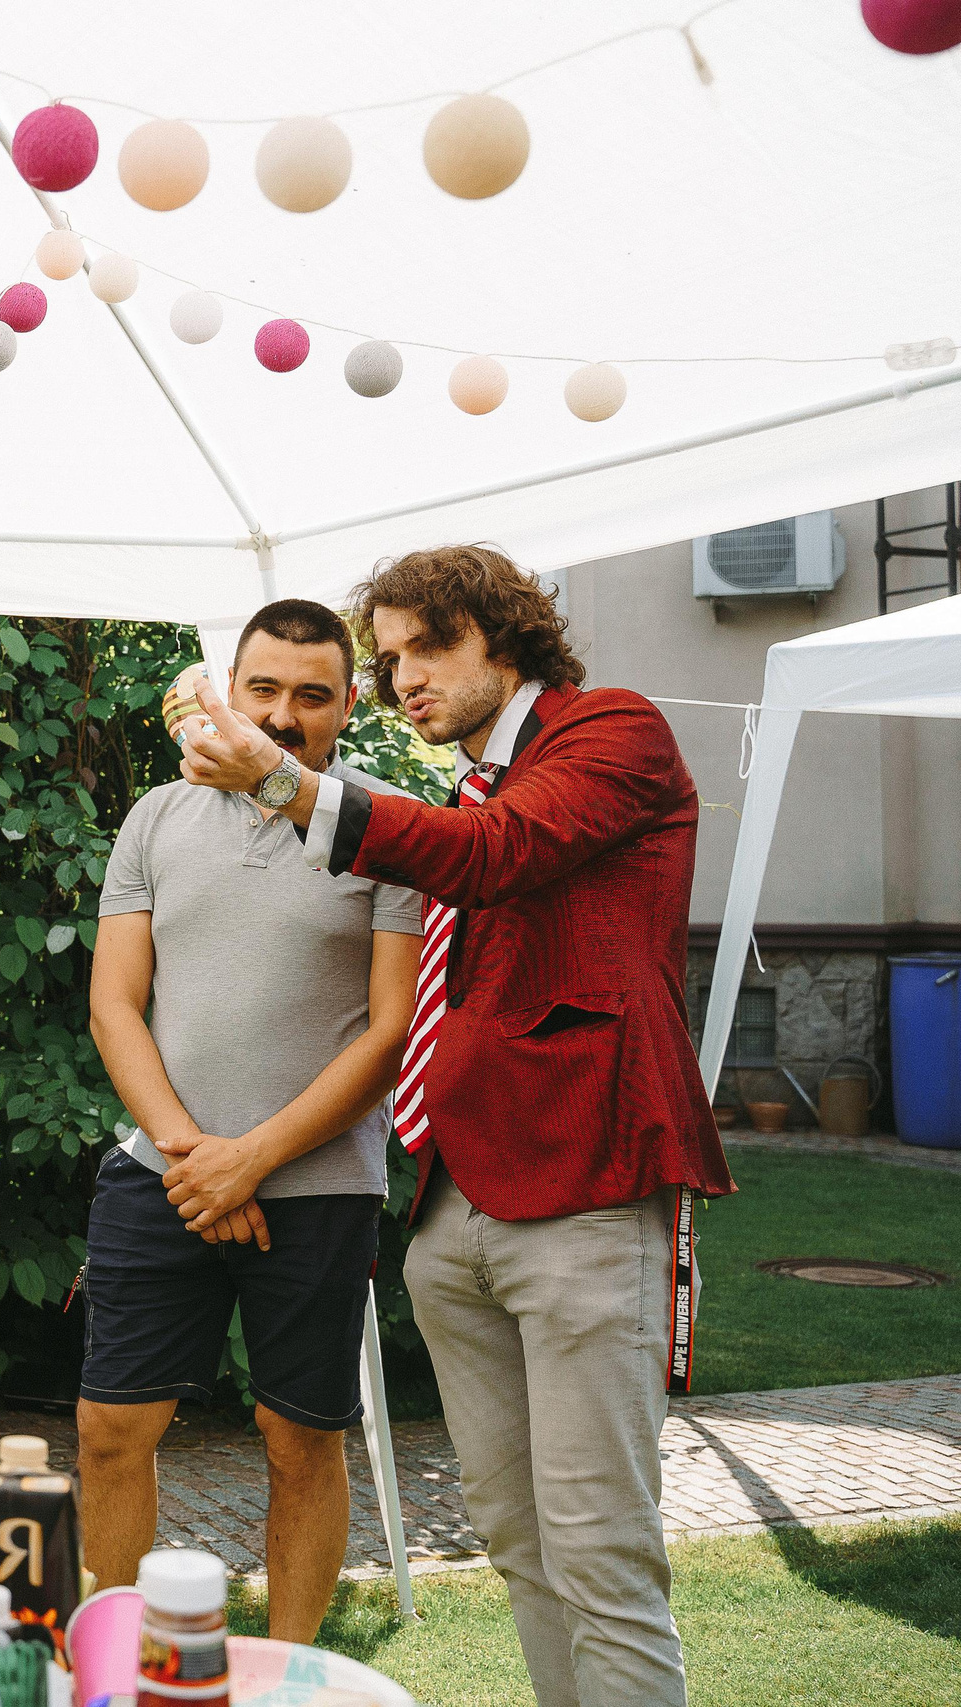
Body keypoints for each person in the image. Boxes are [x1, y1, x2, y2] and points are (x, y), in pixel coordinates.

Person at [180, 546, 735, 1706]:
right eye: (387, 662)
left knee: (600, 1548)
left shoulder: (610, 732)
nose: (405, 680)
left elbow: (496, 860)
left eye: (428, 647)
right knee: (517, 1541)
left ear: (504, 632)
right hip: (454, 1205)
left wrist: (279, 782)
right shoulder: (466, 792)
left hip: (583, 1185)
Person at [79, 600, 424, 1646]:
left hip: (318, 1186)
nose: (282, 715)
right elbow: (112, 1003)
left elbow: (388, 1032)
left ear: (347, 704)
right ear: (228, 690)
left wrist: (254, 1162)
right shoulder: (155, 817)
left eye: (311, 695)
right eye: (262, 689)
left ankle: (286, 1668)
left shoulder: (384, 822)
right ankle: (123, 1656)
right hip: (163, 1172)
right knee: (108, 1430)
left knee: (298, 1438)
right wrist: (197, 1159)